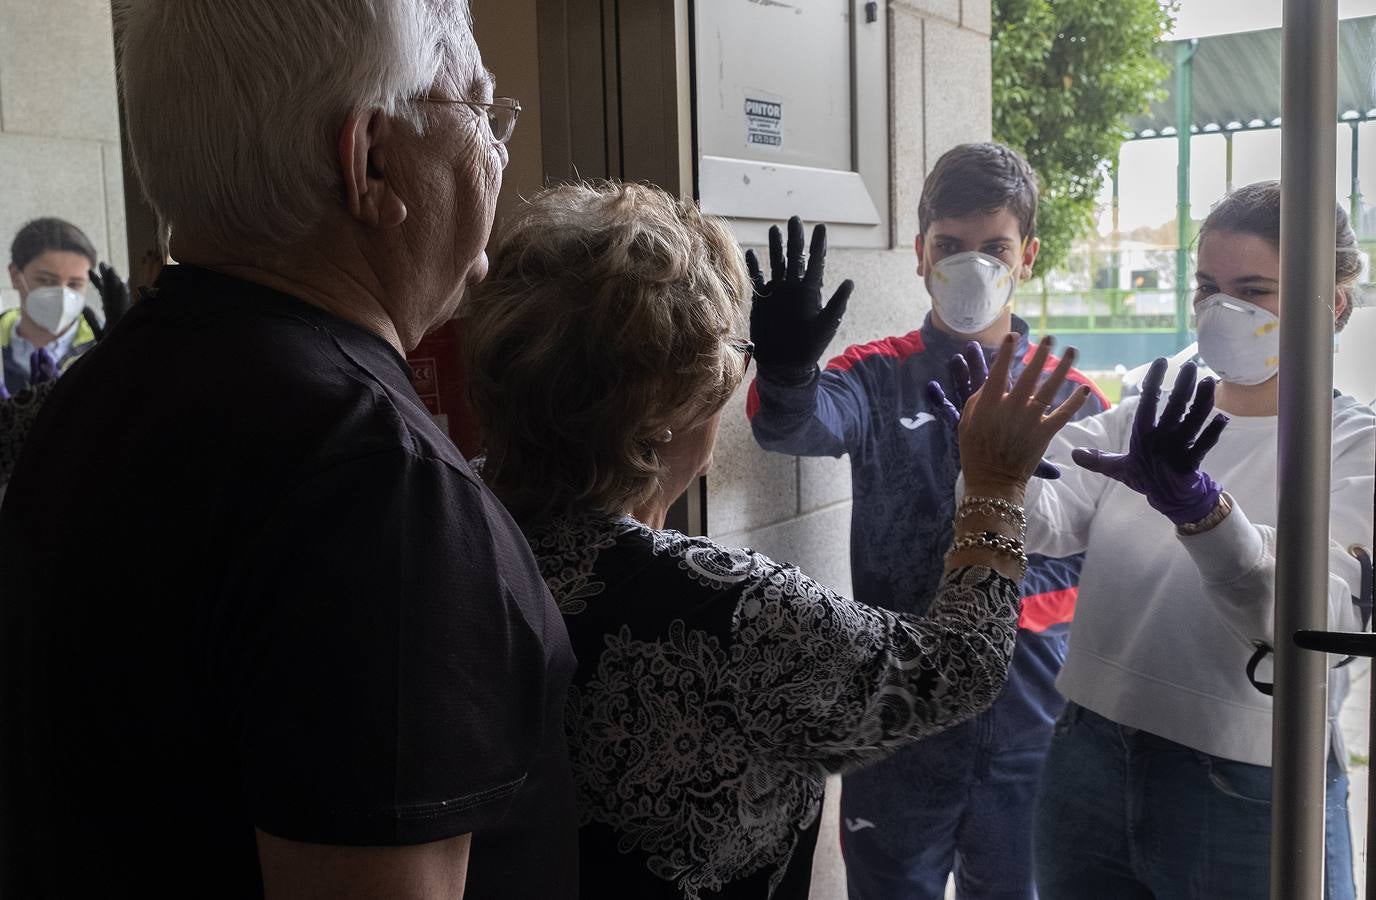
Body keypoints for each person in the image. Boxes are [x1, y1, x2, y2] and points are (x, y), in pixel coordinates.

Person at [0, 2, 575, 898]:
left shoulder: (91, 395)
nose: (498, 155)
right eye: (482, 115)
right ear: (372, 161)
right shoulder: (377, 481)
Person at [459, 180, 1094, 900]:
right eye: (731, 353)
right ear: (676, 404)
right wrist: (995, 483)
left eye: (994, 247)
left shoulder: (444, 526)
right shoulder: (741, 614)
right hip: (916, 723)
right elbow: (963, 664)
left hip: (1025, 717)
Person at [747, 142, 1109, 899]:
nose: (970, 266)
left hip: (1030, 726)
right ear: (918, 254)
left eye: (993, 248)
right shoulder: (875, 374)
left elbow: (1099, 558)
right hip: (900, 727)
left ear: (1028, 256)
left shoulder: (1071, 399)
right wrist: (785, 373)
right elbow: (794, 428)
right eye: (950, 246)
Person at [1016, 181, 1370, 899]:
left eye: (1255, 289)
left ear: (1332, 306)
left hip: (1251, 782)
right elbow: (1045, 515)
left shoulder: (1353, 448)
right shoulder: (1154, 408)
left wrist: (1206, 517)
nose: (1222, 309)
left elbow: (1313, 626)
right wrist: (992, 465)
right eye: (1208, 285)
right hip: (1089, 753)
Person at [3, 218, 101, 394]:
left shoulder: (102, 344)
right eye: (46, 280)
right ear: (15, 275)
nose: (62, 295)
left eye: (75, 284)